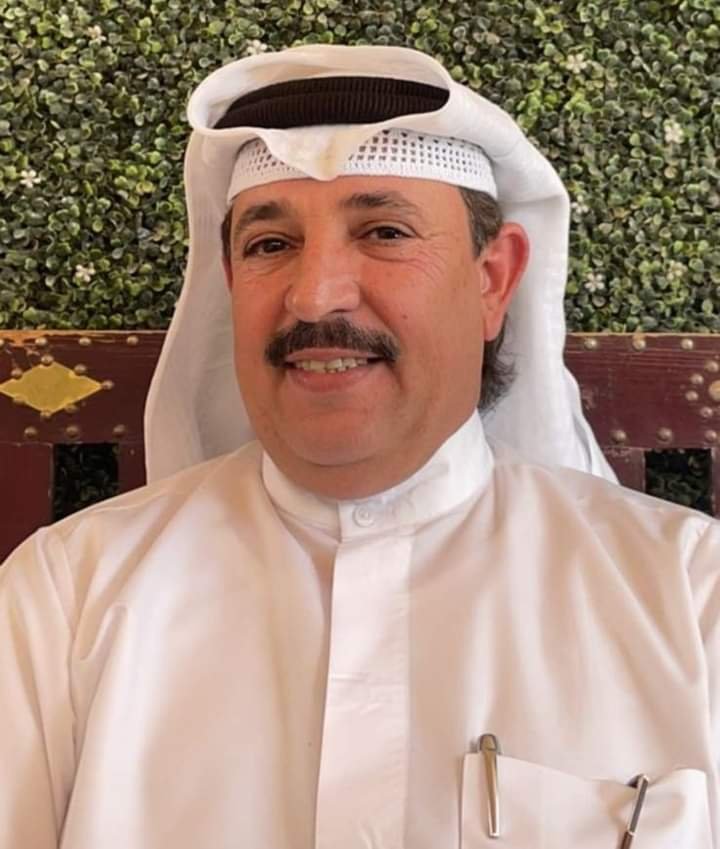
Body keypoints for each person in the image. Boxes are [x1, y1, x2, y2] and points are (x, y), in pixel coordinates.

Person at [1, 44, 718, 848]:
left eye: (383, 231)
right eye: (270, 245)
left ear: (492, 280)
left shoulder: (691, 598)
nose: (314, 297)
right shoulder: (66, 600)